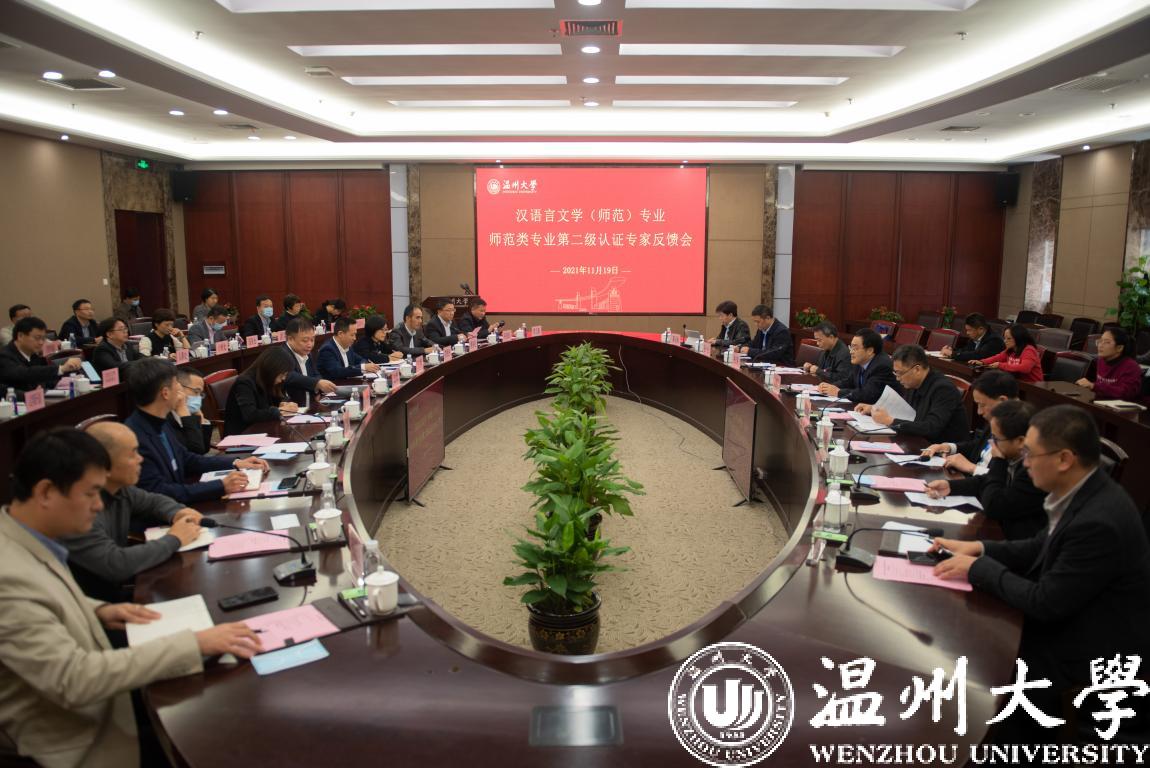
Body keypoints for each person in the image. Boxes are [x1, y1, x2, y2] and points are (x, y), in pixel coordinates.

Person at [0, 428, 261, 768]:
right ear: (46, 492)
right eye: (90, 493)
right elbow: (74, 679)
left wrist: (97, 609)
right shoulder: (8, 576)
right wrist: (193, 643)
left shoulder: (23, 533)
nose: (99, 505)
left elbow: (43, 599)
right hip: (78, 741)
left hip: (96, 704)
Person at [932, 406, 1150, 744]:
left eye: (1030, 454)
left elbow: (1045, 603)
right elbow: (1039, 545)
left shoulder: (1099, 520)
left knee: (970, 671)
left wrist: (978, 568)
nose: (1026, 462)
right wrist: (980, 549)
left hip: (1088, 660)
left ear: (1064, 459)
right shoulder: (1083, 490)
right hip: (1069, 622)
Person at [61, 422, 204, 601]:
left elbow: (153, 501)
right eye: (133, 453)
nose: (140, 459)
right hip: (94, 606)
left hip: (113, 596)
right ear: (104, 462)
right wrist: (174, 539)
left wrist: (177, 513)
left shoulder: (120, 489)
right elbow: (116, 564)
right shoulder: (81, 508)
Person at [123, 358, 267, 504]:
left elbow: (187, 459)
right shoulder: (134, 437)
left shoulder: (159, 421)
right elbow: (158, 491)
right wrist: (220, 486)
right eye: (176, 384)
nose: (180, 391)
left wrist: (236, 463)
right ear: (165, 393)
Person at [925, 400, 1047, 540]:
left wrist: (998, 460)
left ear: (1020, 441)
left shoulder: (1032, 469)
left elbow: (994, 506)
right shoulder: (1013, 455)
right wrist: (950, 486)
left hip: (1017, 541)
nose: (991, 443)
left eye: (996, 438)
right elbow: (985, 480)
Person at [856, 344, 968, 443]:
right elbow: (904, 411)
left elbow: (931, 427)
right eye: (895, 373)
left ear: (917, 369)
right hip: (917, 441)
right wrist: (874, 409)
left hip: (940, 449)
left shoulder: (943, 389)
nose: (898, 378)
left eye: (900, 373)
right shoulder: (913, 383)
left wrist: (890, 421)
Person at [921, 370, 1018, 475]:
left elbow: (1010, 479)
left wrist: (972, 468)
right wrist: (948, 447)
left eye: (982, 405)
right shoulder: (1000, 416)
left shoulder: (1022, 430)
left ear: (1002, 401)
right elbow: (979, 446)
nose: (979, 412)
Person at [224, 348, 299, 436]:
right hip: (243, 434)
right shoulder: (244, 382)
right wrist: (279, 411)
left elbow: (275, 400)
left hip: (263, 429)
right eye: (282, 375)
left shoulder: (266, 380)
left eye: (285, 375)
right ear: (271, 369)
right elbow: (250, 415)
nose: (283, 378)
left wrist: (283, 404)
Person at [0, 316, 83, 393]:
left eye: (43, 339)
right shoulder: (4, 356)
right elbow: (25, 374)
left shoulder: (34, 355)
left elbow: (46, 380)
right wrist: (62, 368)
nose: (41, 342)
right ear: (20, 336)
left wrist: (71, 380)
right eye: (37, 338)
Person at [817, 328, 898, 405]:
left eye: (855, 348)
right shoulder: (860, 360)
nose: (851, 352)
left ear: (870, 350)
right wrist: (831, 386)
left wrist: (838, 392)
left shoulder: (881, 366)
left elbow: (868, 394)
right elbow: (849, 381)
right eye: (851, 347)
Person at [280, 317, 337, 405]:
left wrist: (319, 389)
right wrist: (317, 383)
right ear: (290, 339)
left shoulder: (307, 353)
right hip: (291, 408)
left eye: (312, 340)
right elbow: (289, 376)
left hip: (309, 405)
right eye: (305, 340)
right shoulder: (281, 354)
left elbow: (315, 374)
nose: (310, 344)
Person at [1077, 327, 1143, 400]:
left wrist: (1094, 386)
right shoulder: (1101, 360)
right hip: (1100, 401)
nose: (1100, 345)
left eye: (1107, 342)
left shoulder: (1131, 367)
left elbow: (1125, 393)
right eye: (1100, 341)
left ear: (1119, 348)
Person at [972, 323, 1043, 383]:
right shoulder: (1010, 349)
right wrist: (982, 362)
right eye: (1004, 338)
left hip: (1032, 386)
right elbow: (997, 358)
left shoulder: (1029, 350)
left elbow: (1025, 368)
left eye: (1009, 338)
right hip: (1016, 383)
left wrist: (1000, 365)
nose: (1005, 341)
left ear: (1019, 338)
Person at [170, 368, 213, 455]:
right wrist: (184, 414)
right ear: (178, 388)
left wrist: (201, 418)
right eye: (196, 391)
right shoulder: (166, 417)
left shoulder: (192, 414)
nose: (199, 398)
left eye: (200, 394)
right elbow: (196, 451)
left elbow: (204, 449)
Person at [802, 321, 851, 386]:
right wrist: (810, 368)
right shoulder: (826, 349)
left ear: (831, 337)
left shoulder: (844, 354)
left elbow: (842, 379)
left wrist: (818, 371)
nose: (817, 343)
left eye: (819, 340)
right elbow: (823, 370)